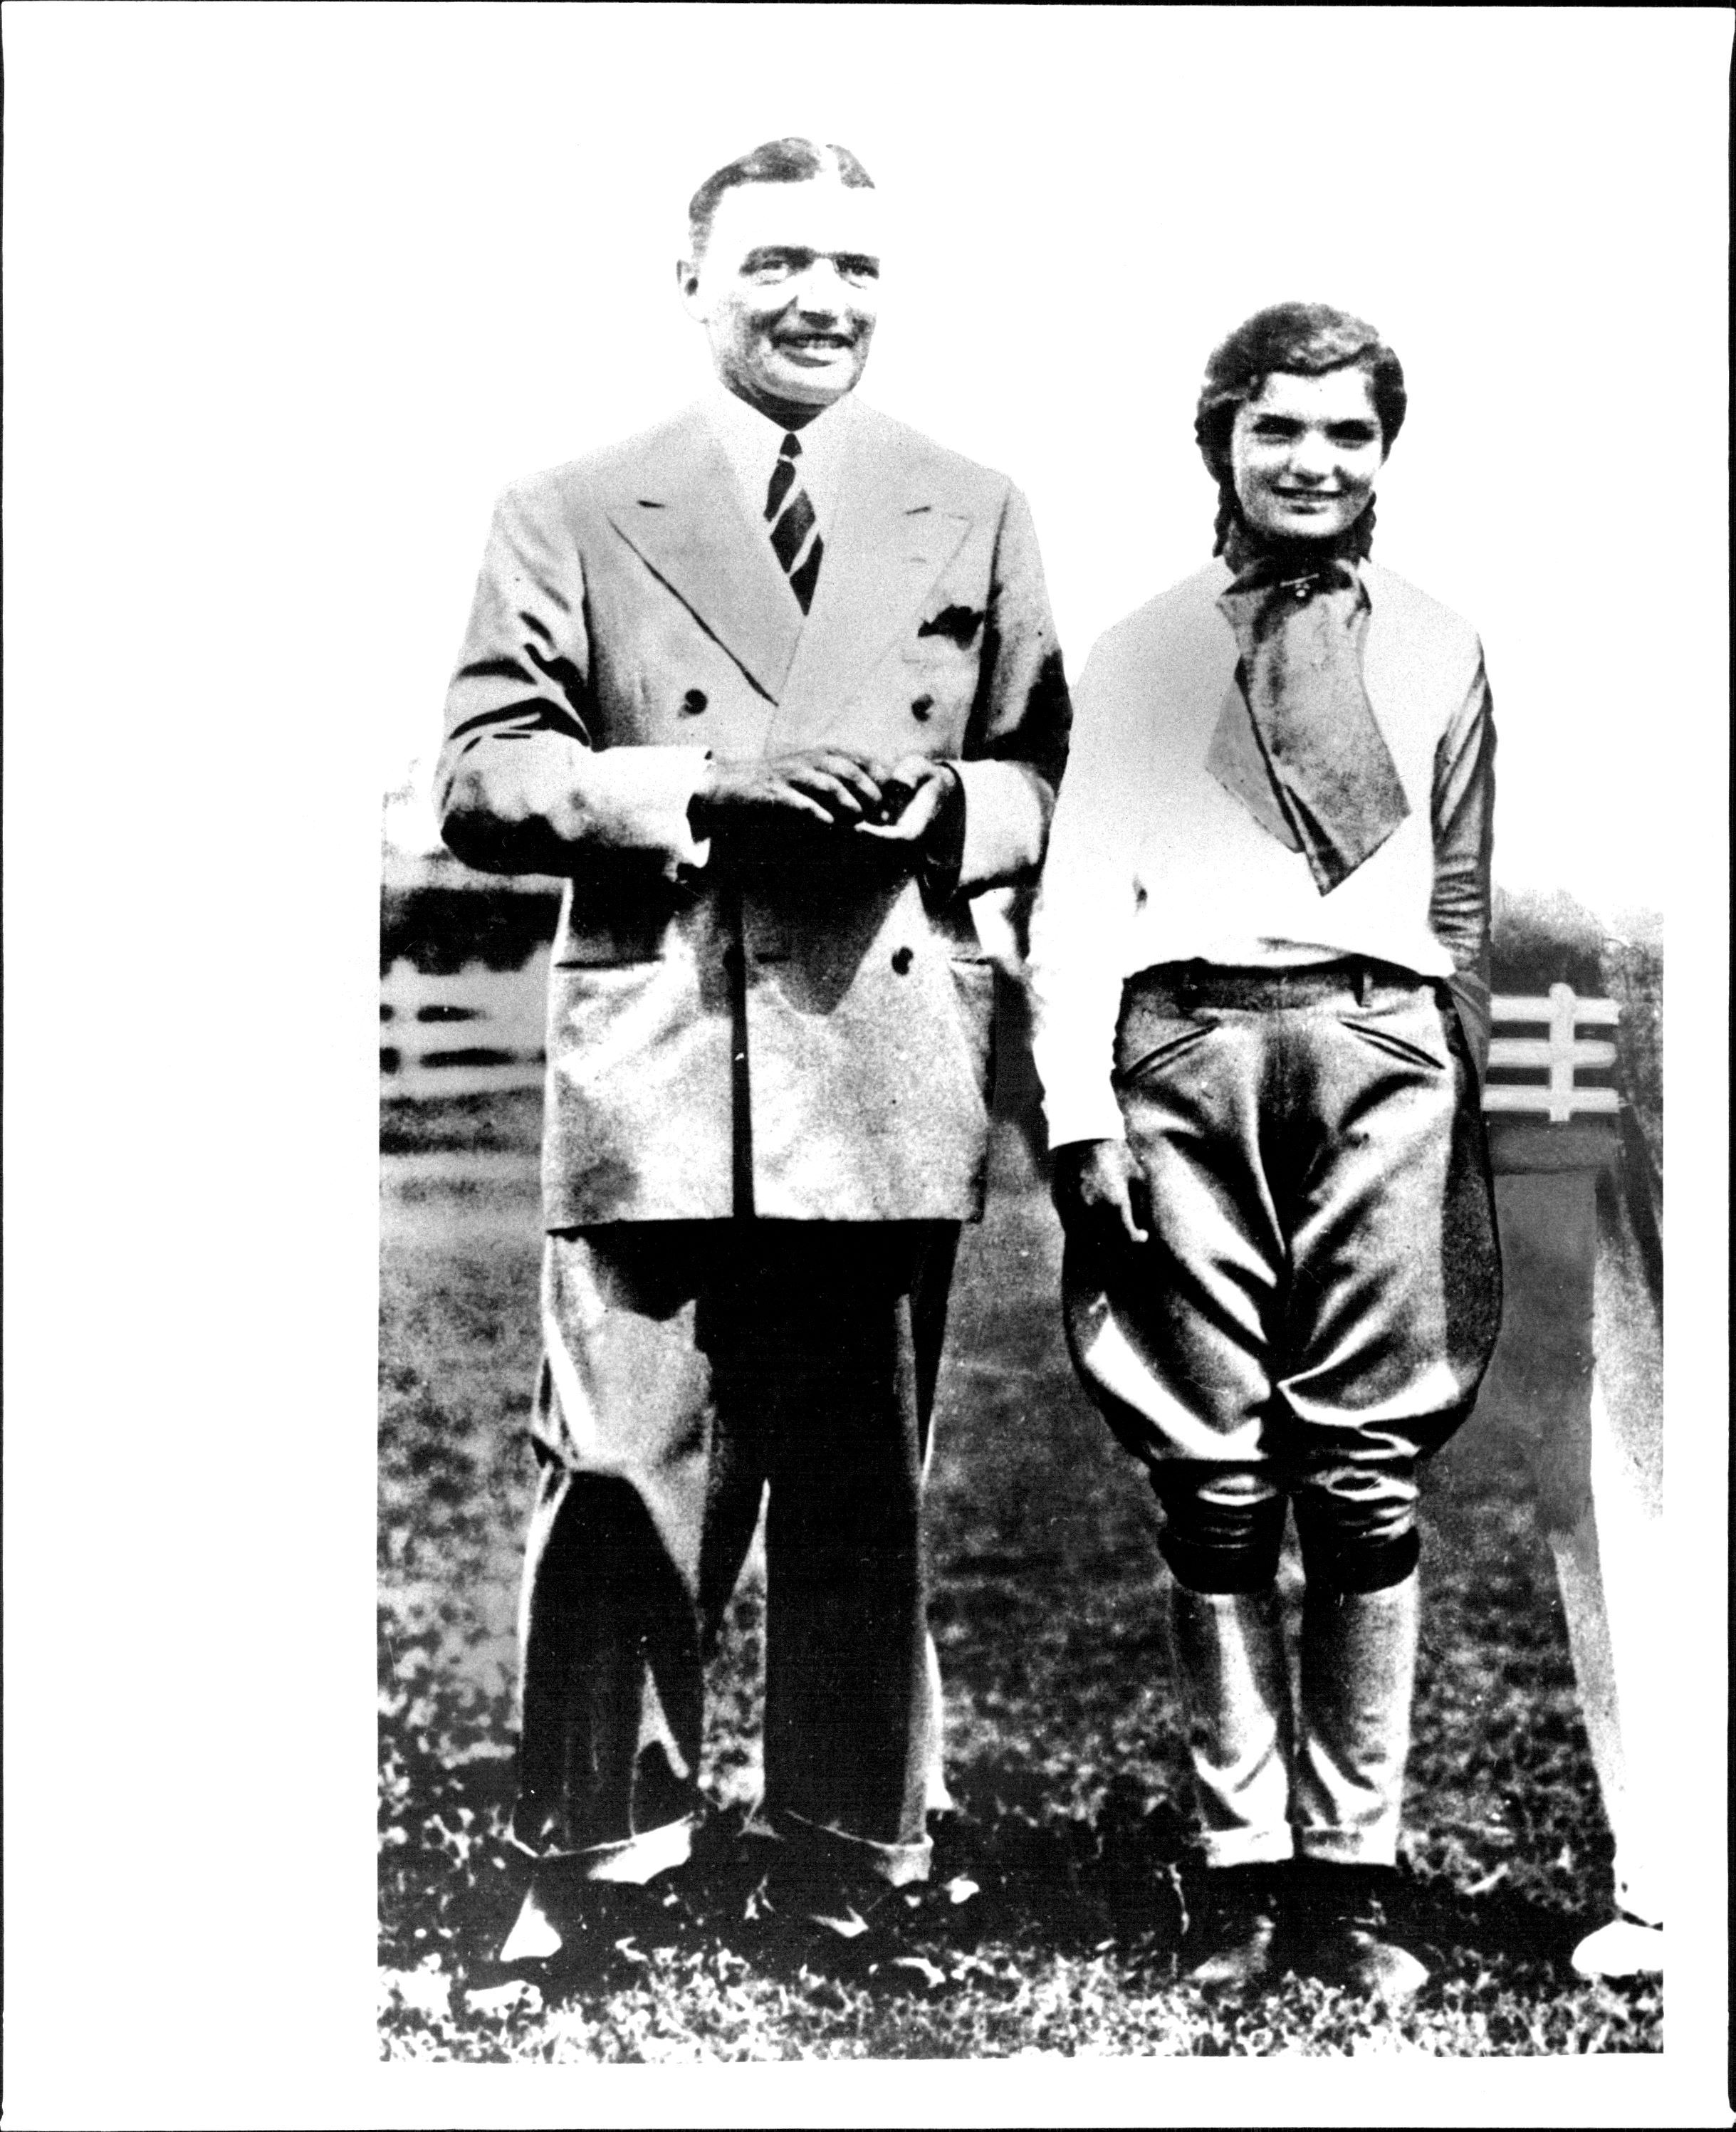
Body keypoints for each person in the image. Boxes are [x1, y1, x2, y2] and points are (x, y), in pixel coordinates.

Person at [434, 137, 1070, 1969]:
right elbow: (479, 776)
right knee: (624, 1466)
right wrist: (705, 785)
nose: (821, 302)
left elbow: (1045, 773)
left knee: (860, 1479)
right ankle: (602, 1854)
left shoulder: (977, 504)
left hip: (876, 1044)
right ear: (694, 281)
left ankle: (853, 1852)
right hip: (662, 1045)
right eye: (780, 263)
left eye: (857, 271)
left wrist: (937, 805)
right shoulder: (570, 505)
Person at [1028, 303, 1500, 2000]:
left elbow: (1460, 889)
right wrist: (1081, 1112)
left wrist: (1462, 1082)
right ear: (1218, 440)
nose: (1311, 463)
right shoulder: (1148, 649)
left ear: (1384, 451)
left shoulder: (1440, 642)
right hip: (1183, 1053)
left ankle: (1352, 1875)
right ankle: (1238, 1863)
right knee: (1213, 1470)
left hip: (1380, 1047)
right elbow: (1077, 891)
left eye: (1347, 435)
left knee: (1363, 1468)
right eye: (1277, 430)